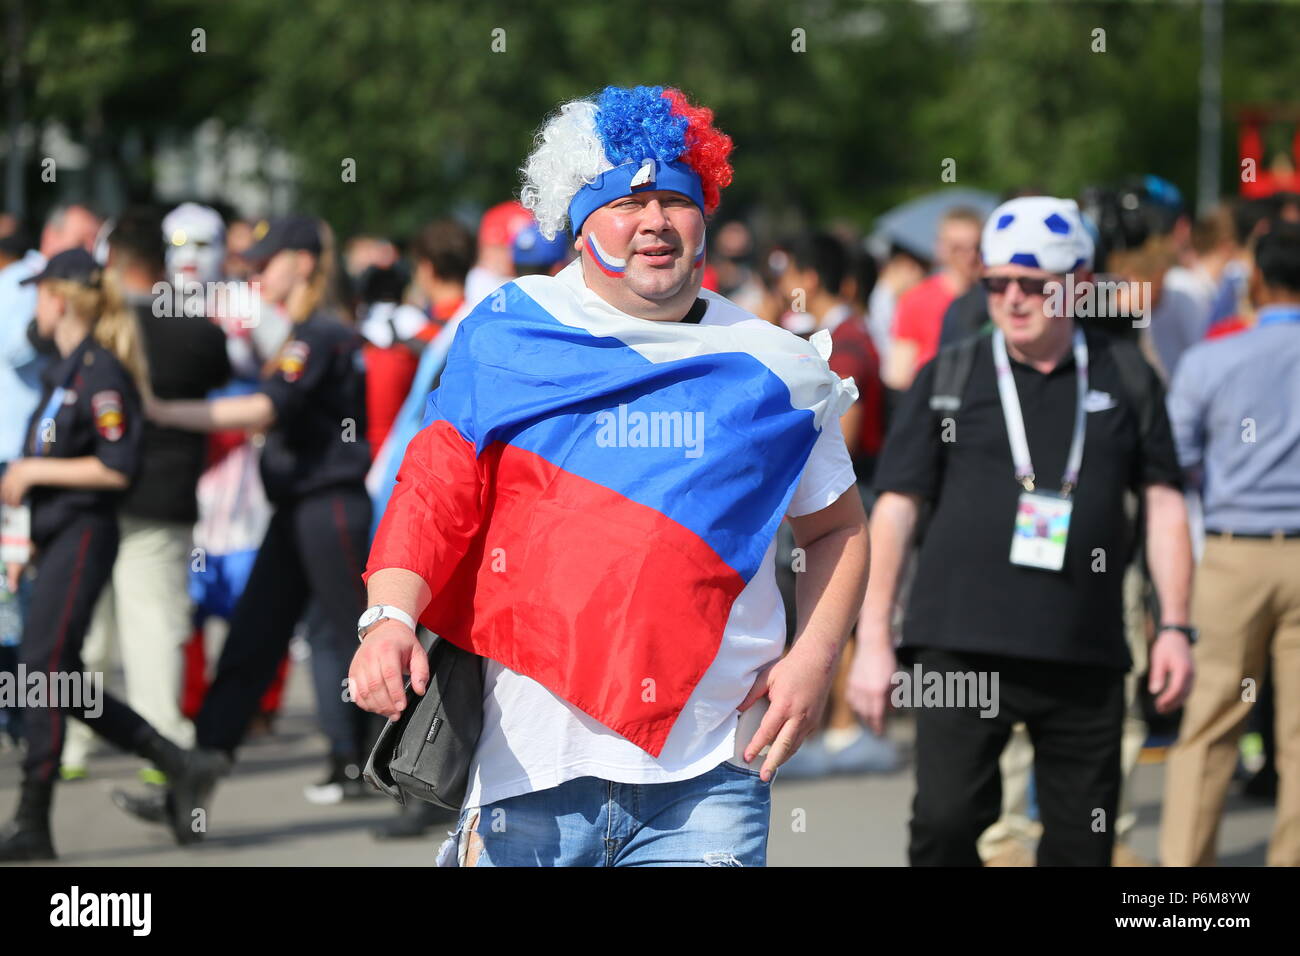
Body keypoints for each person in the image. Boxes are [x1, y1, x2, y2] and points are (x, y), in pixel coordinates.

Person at [353, 84, 869, 867]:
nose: (655, 221)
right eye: (628, 201)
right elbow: (434, 491)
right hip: (529, 770)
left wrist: (813, 659)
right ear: (580, 219)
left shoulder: (778, 366)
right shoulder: (508, 331)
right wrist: (387, 618)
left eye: (676, 199)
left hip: (709, 778)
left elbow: (837, 528)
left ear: (706, 215)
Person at [847, 196, 1196, 866]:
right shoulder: (949, 375)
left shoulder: (1125, 376)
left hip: (1083, 651)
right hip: (957, 648)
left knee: (1083, 842)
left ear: (1081, 285)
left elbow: (1164, 503)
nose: (1011, 298)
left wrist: (1174, 626)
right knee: (945, 827)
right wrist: (872, 638)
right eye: (996, 282)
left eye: (1032, 285)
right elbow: (895, 507)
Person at [113, 215, 374, 826]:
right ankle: (193, 779)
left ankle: (428, 785)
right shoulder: (296, 334)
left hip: (329, 506)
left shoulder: (321, 332)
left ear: (304, 262)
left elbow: (264, 407)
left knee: (372, 644)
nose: (254, 275)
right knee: (250, 648)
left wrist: (162, 411)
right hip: (297, 510)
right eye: (251, 266)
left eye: (266, 264)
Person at [0, 249, 228, 861]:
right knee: (62, 677)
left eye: (41, 293)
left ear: (61, 299)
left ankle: (33, 817)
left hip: (84, 533)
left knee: (42, 670)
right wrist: (20, 539)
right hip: (54, 536)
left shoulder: (102, 372)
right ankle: (178, 761)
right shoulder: (65, 372)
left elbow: (116, 466)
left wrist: (31, 468)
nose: (36, 306)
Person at [59, 208, 231, 782]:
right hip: (164, 497)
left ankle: (71, 746)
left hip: (90, 494)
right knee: (155, 628)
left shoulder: (93, 326)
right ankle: (165, 749)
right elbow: (219, 372)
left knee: (86, 631)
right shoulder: (196, 329)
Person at [1160, 223, 1300, 866]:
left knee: (1211, 725)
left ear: (1259, 282)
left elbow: (1177, 457)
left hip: (1233, 553)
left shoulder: (1211, 359)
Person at [882, 207, 983, 391]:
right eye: (957, 248)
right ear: (941, 248)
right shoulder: (916, 300)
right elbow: (898, 375)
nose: (969, 256)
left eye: (976, 247)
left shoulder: (997, 297)